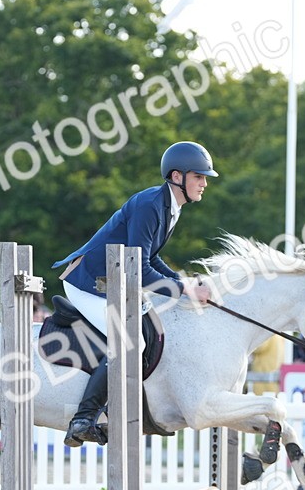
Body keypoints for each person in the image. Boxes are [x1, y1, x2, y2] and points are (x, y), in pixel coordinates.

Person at [51, 141, 216, 446]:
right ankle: (83, 419)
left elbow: (150, 260)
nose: (205, 183)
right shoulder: (151, 204)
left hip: (112, 282)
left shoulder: (169, 207)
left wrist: (181, 283)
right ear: (177, 176)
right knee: (131, 341)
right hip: (89, 282)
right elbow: (137, 267)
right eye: (199, 177)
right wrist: (183, 290)